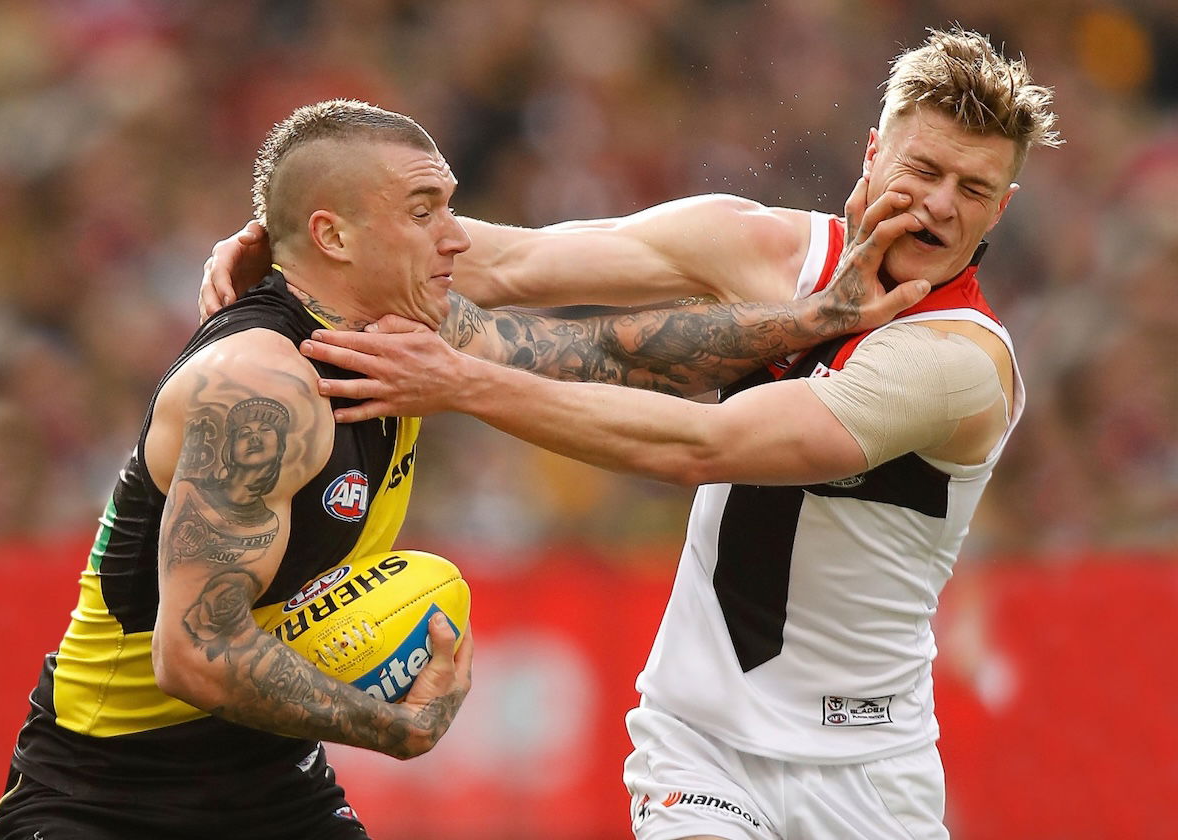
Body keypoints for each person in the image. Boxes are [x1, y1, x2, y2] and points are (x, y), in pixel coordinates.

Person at [200, 27, 1060, 840]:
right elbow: (512, 262)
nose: (940, 206)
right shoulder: (755, 245)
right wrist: (299, 247)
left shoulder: (960, 365)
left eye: (974, 190)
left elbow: (702, 446)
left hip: (869, 771)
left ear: (1003, 208)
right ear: (875, 152)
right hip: (702, 746)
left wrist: (465, 384)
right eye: (926, 170)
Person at [0, 101, 482, 840]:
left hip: (277, 784)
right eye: (423, 212)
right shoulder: (260, 387)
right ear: (333, 236)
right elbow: (193, 652)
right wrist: (390, 726)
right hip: (108, 795)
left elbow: (624, 352)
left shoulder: (409, 340)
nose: (461, 237)